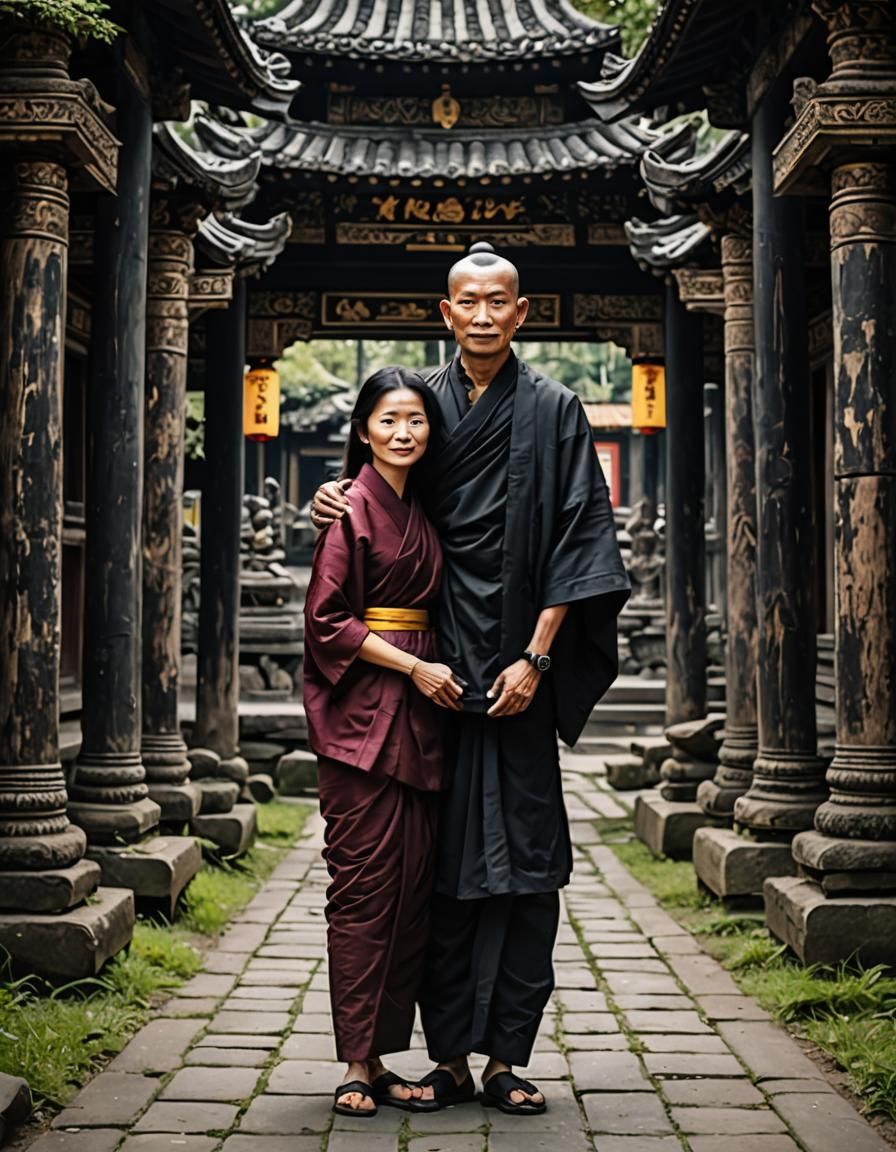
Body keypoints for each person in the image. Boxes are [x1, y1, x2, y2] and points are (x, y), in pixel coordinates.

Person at [312, 244, 630, 1116]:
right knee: (440, 872)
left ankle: (506, 1059)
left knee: (528, 869)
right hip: (435, 680)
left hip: (521, 672)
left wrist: (538, 658)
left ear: (522, 313)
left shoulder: (556, 408)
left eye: (500, 302)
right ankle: (449, 1057)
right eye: (469, 302)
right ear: (445, 312)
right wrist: (332, 498)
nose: (484, 316)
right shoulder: (422, 405)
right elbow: (378, 489)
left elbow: (581, 536)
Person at [303, 366, 464, 1118]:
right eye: (389, 419)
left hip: (421, 719)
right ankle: (354, 1063)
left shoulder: (424, 507)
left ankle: (383, 1055)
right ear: (364, 429)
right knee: (362, 889)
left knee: (410, 892)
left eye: (417, 420)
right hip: (362, 718)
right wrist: (413, 667)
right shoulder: (349, 507)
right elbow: (326, 620)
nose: (404, 433)